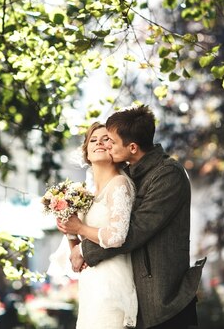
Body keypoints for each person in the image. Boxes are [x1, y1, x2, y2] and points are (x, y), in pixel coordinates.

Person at [57, 104, 206, 329]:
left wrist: (84, 249)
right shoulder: (127, 174)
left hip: (166, 301)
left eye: (111, 141)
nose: (105, 145)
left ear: (133, 147)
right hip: (132, 296)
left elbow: (136, 230)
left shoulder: (168, 175)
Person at [47, 122, 137, 328]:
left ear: (115, 147)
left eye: (106, 139)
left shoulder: (119, 184)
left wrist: (78, 227)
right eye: (93, 140)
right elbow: (76, 248)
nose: (99, 143)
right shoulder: (85, 194)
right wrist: (70, 232)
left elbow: (117, 236)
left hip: (113, 283)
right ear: (86, 152)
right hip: (90, 283)